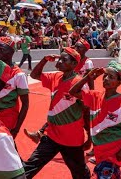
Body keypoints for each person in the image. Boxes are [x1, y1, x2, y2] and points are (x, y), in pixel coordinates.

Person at [23, 47, 91, 178]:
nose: (59, 62)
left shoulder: (79, 84)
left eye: (63, 60)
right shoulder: (56, 76)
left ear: (74, 64)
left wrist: (89, 136)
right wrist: (44, 60)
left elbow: (86, 111)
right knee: (31, 166)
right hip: (52, 135)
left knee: (80, 172)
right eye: (60, 58)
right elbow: (34, 75)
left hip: (71, 139)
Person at [69, 61, 121, 178]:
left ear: (119, 82)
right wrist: (87, 78)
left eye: (111, 77)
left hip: (114, 153)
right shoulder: (95, 96)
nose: (106, 79)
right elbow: (73, 92)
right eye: (105, 76)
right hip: (100, 152)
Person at [0, 37, 29, 139]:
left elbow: (25, 104)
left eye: (1, 50)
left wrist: (16, 129)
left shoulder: (18, 75)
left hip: (7, 120)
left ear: (10, 52)